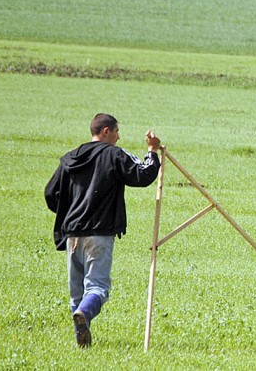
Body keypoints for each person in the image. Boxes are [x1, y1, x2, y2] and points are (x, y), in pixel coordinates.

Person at [44, 113, 161, 348]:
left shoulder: (70, 157)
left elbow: (50, 193)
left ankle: (82, 340)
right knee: (98, 288)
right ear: (106, 131)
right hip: (99, 233)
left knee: (77, 295)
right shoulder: (114, 154)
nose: (119, 137)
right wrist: (152, 151)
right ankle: (84, 317)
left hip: (71, 234)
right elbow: (142, 174)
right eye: (117, 132)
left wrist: (70, 214)